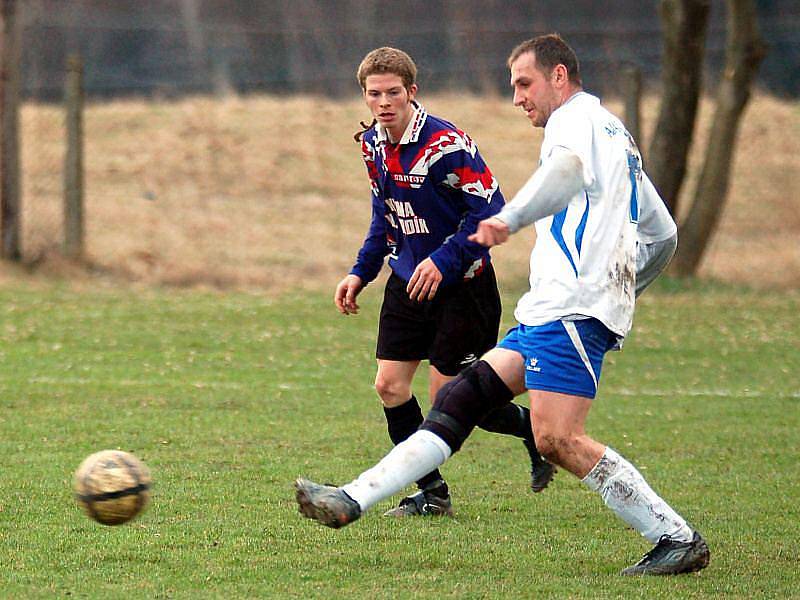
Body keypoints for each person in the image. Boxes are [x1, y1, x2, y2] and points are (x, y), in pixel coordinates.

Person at [295, 34, 711, 576]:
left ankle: (676, 537)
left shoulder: (574, 123)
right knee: (461, 401)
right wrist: (620, 297)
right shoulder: (617, 133)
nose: (517, 98)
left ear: (558, 76)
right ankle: (352, 498)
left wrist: (510, 222)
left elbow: (564, 175)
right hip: (552, 308)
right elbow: (664, 236)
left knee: (558, 438)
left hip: (571, 309)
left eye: (524, 83)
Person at [332, 46, 555, 518]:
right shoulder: (373, 144)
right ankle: (433, 494)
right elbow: (385, 217)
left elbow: (493, 211)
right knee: (390, 386)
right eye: (375, 95)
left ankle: (538, 432)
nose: (384, 102)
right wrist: (361, 271)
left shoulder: (447, 145)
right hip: (408, 282)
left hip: (463, 287)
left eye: (394, 92)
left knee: (451, 399)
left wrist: (445, 259)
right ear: (365, 98)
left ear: (411, 92)